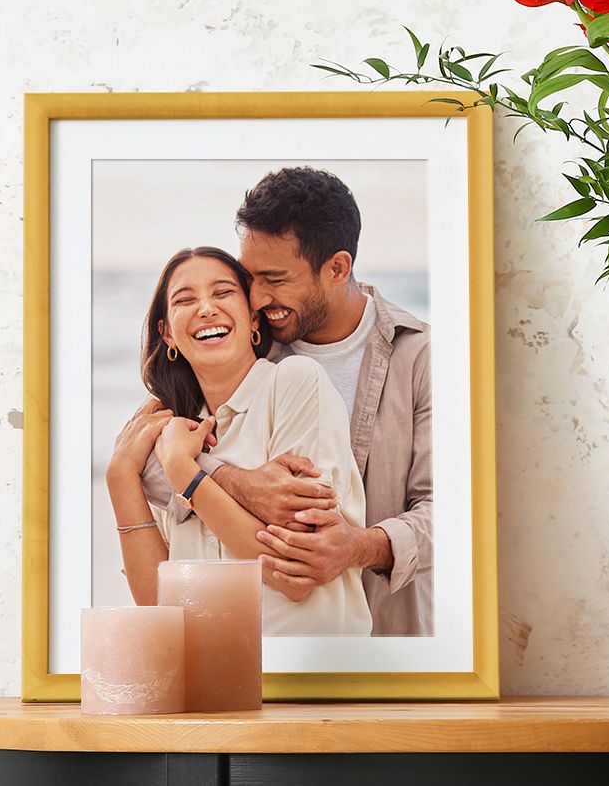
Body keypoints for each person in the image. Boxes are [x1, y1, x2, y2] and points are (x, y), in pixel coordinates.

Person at [142, 167, 433, 636]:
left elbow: (452, 512)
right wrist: (238, 481)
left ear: (337, 268)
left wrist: (356, 546)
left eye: (274, 279)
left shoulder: (419, 355)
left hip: (392, 635)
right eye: (249, 277)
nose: (256, 298)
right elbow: (158, 459)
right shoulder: (247, 346)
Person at [105, 246, 371, 636]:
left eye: (223, 292)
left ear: (252, 319)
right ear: (167, 334)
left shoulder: (294, 382)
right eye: (185, 299)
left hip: (312, 674)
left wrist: (187, 474)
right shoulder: (172, 436)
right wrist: (120, 475)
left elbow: (292, 575)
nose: (206, 308)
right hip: (214, 676)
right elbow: (160, 613)